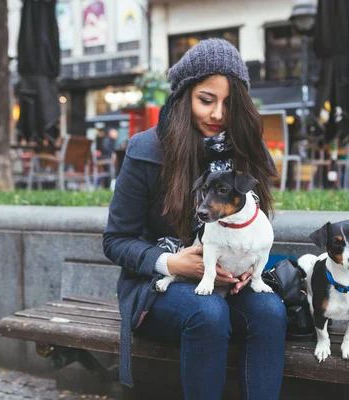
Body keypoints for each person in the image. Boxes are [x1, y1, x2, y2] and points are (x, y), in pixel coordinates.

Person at [103, 38, 286, 399]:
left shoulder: (249, 150)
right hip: (159, 285)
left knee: (269, 310)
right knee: (208, 311)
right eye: (207, 100)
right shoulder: (145, 150)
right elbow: (115, 240)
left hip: (228, 278)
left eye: (229, 104)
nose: (218, 114)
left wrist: (248, 263)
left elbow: (255, 221)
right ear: (184, 95)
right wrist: (172, 262)